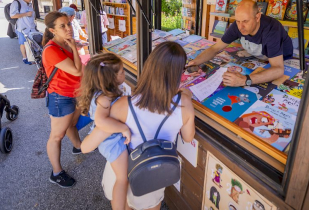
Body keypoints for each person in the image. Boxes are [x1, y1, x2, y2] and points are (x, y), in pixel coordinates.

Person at [91, 41, 195, 210]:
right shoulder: (184, 104)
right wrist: (187, 98)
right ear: (178, 73)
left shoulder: (124, 104)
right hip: (154, 172)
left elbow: (94, 140)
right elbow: (188, 137)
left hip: (122, 170)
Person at [188, 0, 293, 87]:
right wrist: (195, 62)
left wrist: (245, 80)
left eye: (245, 21)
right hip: (258, 57)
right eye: (238, 21)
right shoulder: (237, 25)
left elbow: (278, 69)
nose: (240, 27)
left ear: (257, 17)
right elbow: (215, 48)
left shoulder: (272, 30)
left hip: (282, 59)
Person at [78, 53, 131, 210]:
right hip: (113, 142)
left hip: (109, 141)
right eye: (121, 71)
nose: (124, 74)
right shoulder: (105, 98)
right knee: (122, 179)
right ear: (111, 77)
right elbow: (101, 121)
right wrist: (124, 128)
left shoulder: (101, 93)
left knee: (120, 177)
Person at [42, 11, 83, 188]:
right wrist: (74, 47)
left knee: (71, 125)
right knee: (56, 136)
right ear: (52, 30)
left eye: (68, 24)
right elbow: (76, 71)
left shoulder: (64, 44)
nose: (68, 29)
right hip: (61, 97)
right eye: (62, 26)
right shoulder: (51, 50)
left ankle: (78, 146)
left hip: (73, 93)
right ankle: (56, 173)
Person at [10, 0, 37, 65]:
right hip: (22, 28)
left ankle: (32, 57)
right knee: (23, 43)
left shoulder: (29, 4)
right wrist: (26, 14)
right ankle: (25, 58)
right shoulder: (16, 3)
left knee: (32, 43)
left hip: (31, 27)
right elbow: (12, 15)